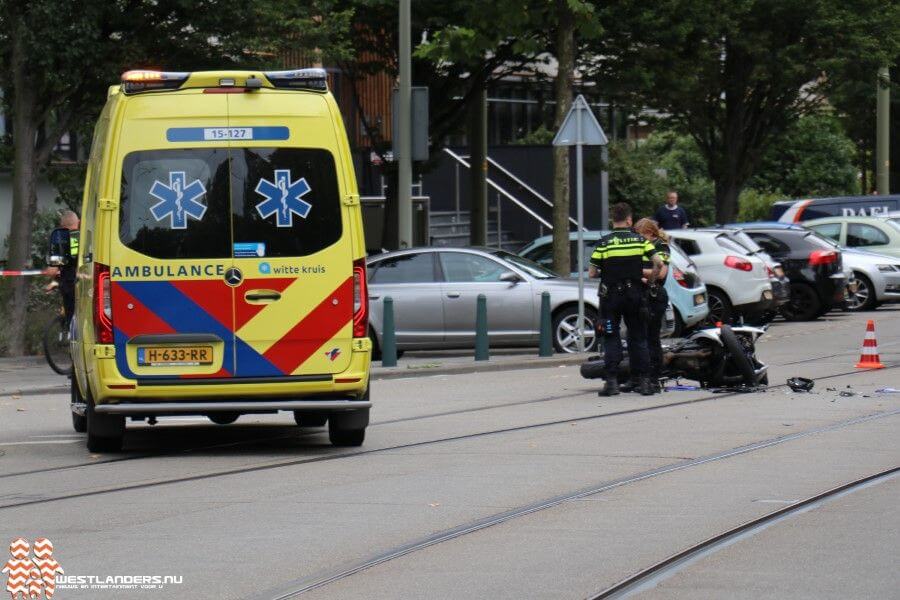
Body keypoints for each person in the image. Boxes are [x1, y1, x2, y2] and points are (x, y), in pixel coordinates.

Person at [589, 203, 664, 396]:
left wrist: (608, 271)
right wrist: (652, 278)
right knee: (639, 337)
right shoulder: (640, 240)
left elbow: (591, 272)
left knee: (611, 336)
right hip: (635, 296)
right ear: (629, 220)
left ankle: (612, 383)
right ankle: (645, 382)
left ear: (613, 220)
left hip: (611, 298)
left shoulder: (604, 243)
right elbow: (659, 262)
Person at [634, 218, 671, 392]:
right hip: (639, 294)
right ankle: (639, 377)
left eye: (641, 235)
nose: (638, 238)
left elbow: (661, 273)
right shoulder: (640, 246)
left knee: (651, 337)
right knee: (637, 337)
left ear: (650, 233)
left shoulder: (661, 247)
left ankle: (655, 376)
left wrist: (634, 270)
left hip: (654, 296)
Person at [44, 210, 80, 323]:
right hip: (87, 284)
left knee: (72, 321)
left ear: (62, 226)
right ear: (78, 222)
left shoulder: (62, 240)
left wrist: (51, 270)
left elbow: (53, 269)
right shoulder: (87, 237)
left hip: (70, 285)